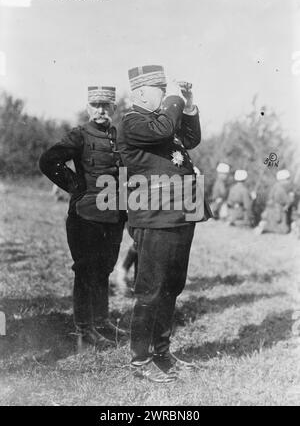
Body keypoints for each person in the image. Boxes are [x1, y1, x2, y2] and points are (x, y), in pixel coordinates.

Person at [118, 64, 213, 383]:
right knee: (151, 289)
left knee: (172, 285)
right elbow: (162, 131)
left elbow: (190, 138)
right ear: (142, 93)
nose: (166, 96)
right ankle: (140, 360)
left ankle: (161, 352)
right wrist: (174, 98)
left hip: (181, 210)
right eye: (162, 90)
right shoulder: (133, 121)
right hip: (156, 213)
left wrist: (187, 103)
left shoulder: (162, 119)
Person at [39, 85, 127, 349]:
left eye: (105, 105)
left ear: (113, 108)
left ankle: (101, 321)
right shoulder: (80, 135)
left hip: (113, 216)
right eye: (95, 105)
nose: (101, 110)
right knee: (86, 270)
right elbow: (48, 160)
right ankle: (84, 328)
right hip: (85, 216)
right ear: (89, 107)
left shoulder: (117, 135)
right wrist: (75, 186)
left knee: (105, 269)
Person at [255, 169, 295, 235]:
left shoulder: (275, 187)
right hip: (278, 213)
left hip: (271, 213)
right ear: (283, 179)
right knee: (285, 230)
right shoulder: (281, 189)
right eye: (287, 179)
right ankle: (266, 227)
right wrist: (291, 197)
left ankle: (265, 226)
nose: (288, 181)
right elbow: (287, 202)